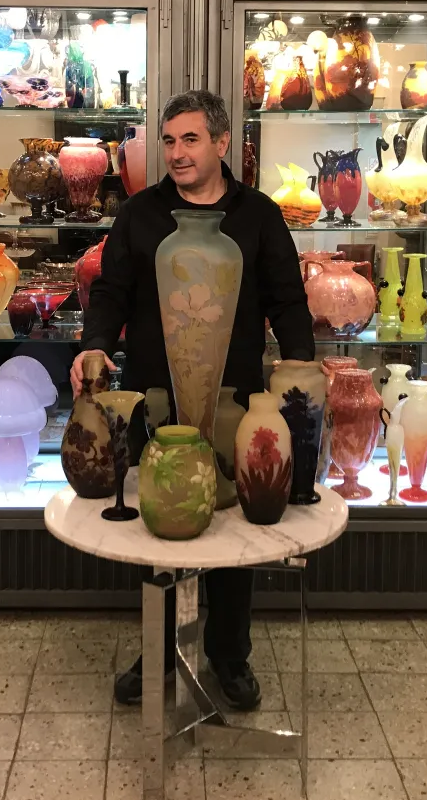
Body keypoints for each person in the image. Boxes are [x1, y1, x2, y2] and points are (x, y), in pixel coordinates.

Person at [70, 89, 315, 710]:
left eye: (190, 140)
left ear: (222, 144)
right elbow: (111, 292)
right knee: (161, 520)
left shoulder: (258, 216)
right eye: (169, 140)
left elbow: (287, 300)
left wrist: (301, 373)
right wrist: (93, 345)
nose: (176, 154)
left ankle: (229, 655)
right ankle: (156, 652)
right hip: (155, 389)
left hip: (236, 391)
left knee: (232, 523)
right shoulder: (140, 215)